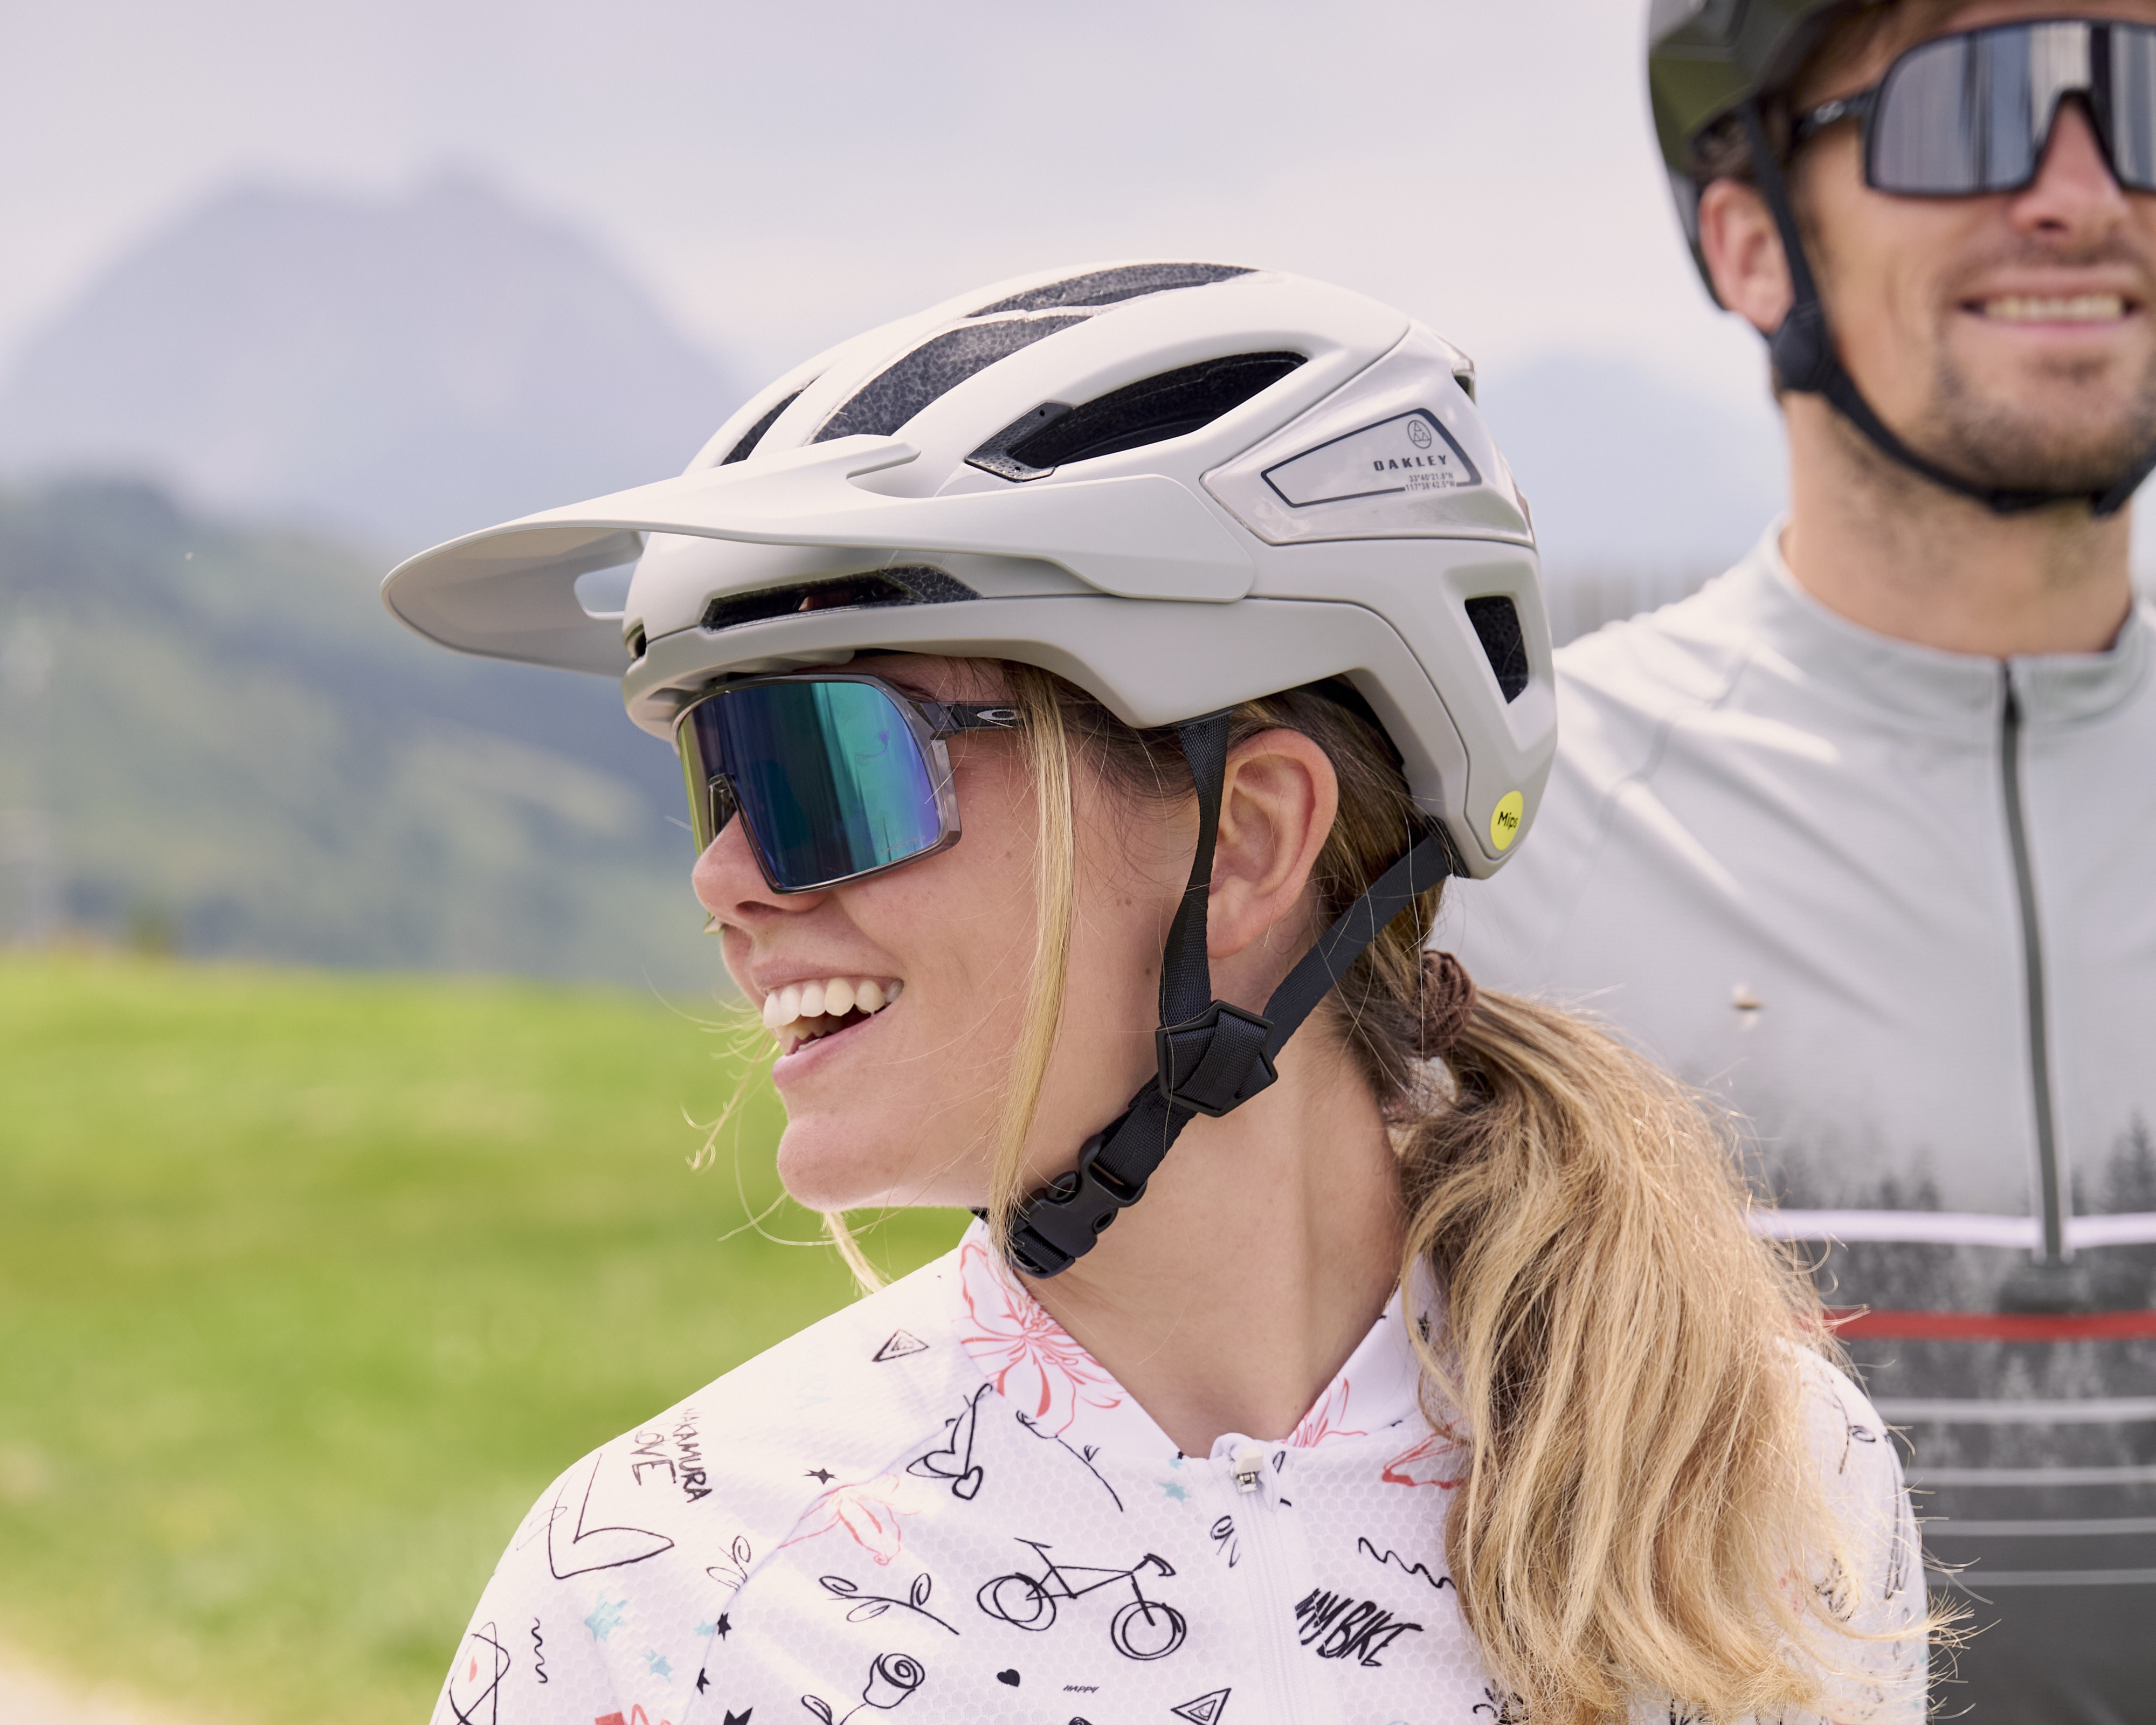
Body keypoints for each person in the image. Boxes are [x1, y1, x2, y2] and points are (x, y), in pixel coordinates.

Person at [385, 262, 1924, 1724]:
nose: (727, 879)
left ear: (1248, 843)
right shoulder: (669, 1587)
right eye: (716, 778)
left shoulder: (1753, 1482)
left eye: (821, 772)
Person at [1449, 4, 2156, 1718]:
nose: (2080, 191)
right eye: (1969, 104)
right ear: (1752, 237)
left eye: (2141, 96)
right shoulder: (1502, 842)